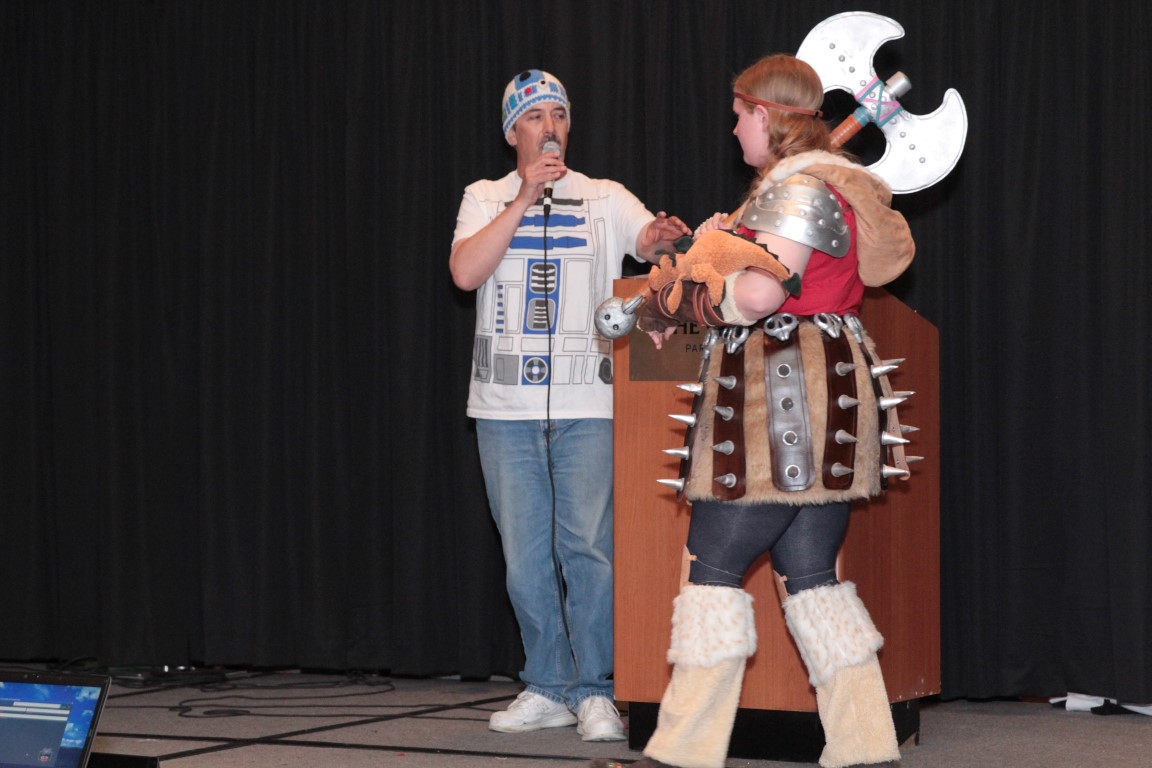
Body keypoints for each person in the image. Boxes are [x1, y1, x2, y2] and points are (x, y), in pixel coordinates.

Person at [592, 53, 917, 768]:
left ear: (765, 115)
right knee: (811, 575)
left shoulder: (798, 190)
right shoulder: (805, 188)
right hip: (820, 389)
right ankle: (865, 748)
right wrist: (719, 253)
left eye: (740, 116)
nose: (735, 129)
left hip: (782, 395)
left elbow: (761, 295)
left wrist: (684, 301)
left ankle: (679, 755)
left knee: (712, 566)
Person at [450, 69, 691, 742]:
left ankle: (594, 690)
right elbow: (465, 272)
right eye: (535, 116)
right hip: (505, 407)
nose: (549, 126)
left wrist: (659, 237)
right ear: (513, 132)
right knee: (524, 557)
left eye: (558, 114)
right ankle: (546, 683)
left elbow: (649, 240)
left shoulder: (604, 196)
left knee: (587, 549)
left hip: (589, 401)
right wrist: (523, 198)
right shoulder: (484, 196)